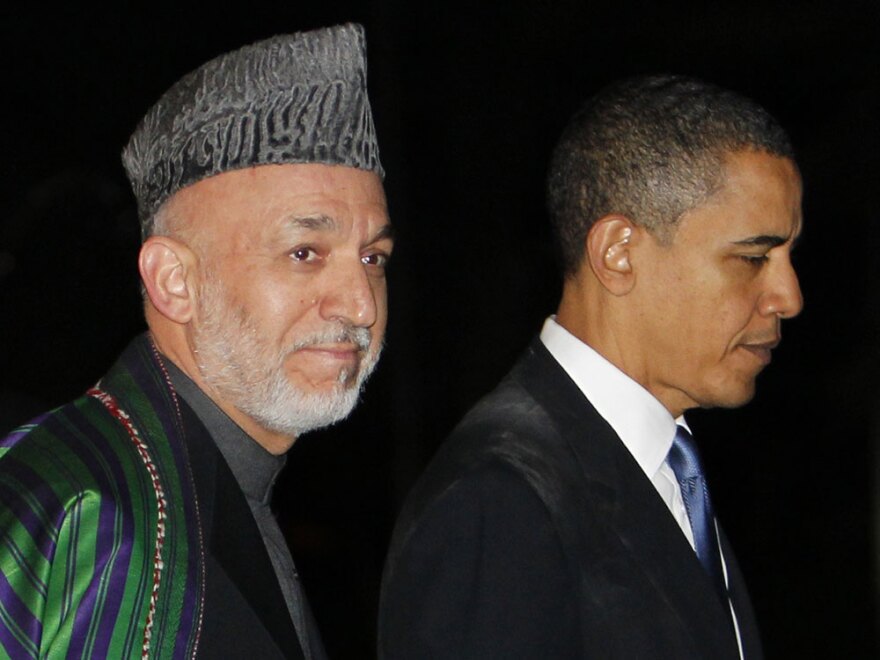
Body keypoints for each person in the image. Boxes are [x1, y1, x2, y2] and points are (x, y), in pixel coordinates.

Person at [0, 23, 392, 659]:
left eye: (372, 257)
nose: (360, 303)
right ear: (174, 280)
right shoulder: (99, 518)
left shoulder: (204, 486)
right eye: (304, 251)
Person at [379, 74, 801, 659]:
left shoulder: (668, 466)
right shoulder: (499, 502)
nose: (789, 295)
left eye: (787, 256)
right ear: (618, 253)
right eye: (753, 257)